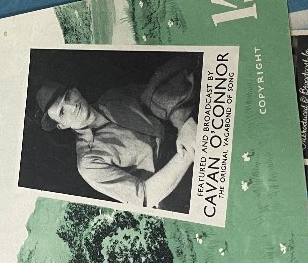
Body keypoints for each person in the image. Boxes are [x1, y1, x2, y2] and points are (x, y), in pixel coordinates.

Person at [34, 56, 198, 211]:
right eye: (62, 112)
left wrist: (183, 123)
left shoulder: (112, 98)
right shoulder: (88, 162)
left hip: (183, 135)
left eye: (68, 96)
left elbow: (156, 95)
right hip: (173, 182)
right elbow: (145, 196)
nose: (72, 107)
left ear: (76, 90)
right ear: (61, 126)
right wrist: (189, 150)